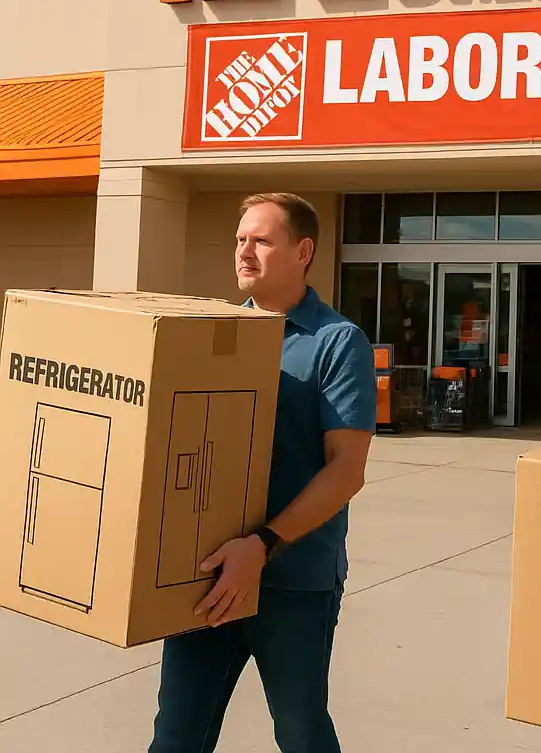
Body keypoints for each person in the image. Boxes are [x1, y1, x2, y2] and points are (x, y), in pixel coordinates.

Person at [149, 192, 377, 753]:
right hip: (206, 575)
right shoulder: (212, 334)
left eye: (261, 240)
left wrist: (263, 543)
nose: (244, 252)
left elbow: (346, 471)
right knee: (176, 736)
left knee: (300, 733)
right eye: (240, 239)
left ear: (303, 251)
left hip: (293, 579)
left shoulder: (336, 342)